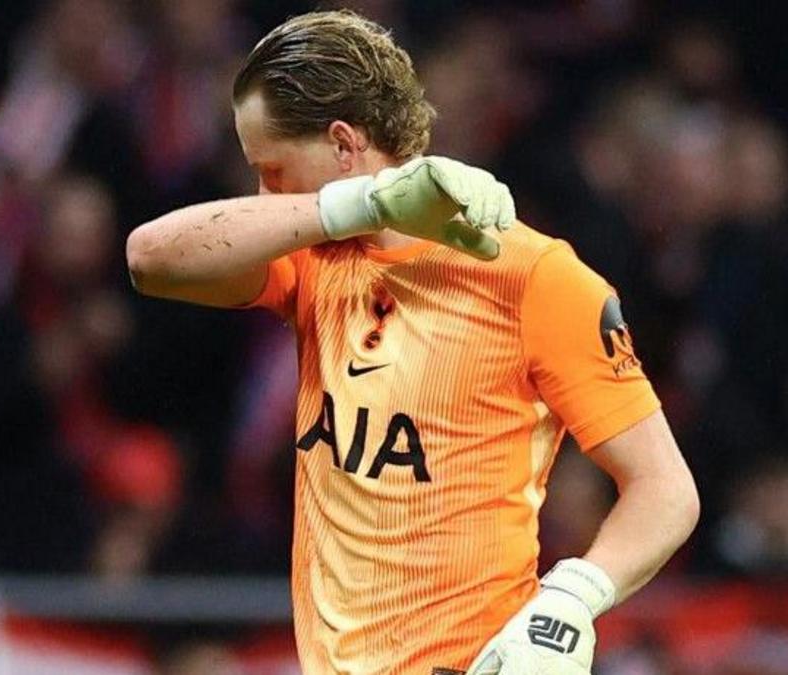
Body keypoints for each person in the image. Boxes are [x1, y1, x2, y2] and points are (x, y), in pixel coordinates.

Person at [126, 10, 699, 675]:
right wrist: (363, 203)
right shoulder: (313, 256)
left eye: (273, 170)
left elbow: (665, 489)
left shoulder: (535, 277)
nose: (263, 197)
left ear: (343, 145)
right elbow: (150, 258)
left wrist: (571, 598)